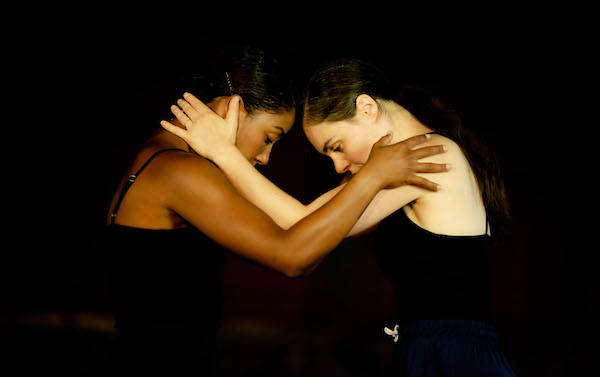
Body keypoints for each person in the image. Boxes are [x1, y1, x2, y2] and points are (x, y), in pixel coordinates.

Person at [107, 46, 449, 376]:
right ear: (234, 108)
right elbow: (294, 256)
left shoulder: (163, 160)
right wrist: (372, 175)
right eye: (270, 137)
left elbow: (297, 226)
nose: (265, 157)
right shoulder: (181, 172)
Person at [162, 57, 515, 376]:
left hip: (455, 355)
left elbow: (299, 222)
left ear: (366, 109)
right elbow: (314, 223)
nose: (339, 165)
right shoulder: (403, 162)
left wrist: (224, 153)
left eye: (336, 147)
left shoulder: (429, 155)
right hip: (430, 346)